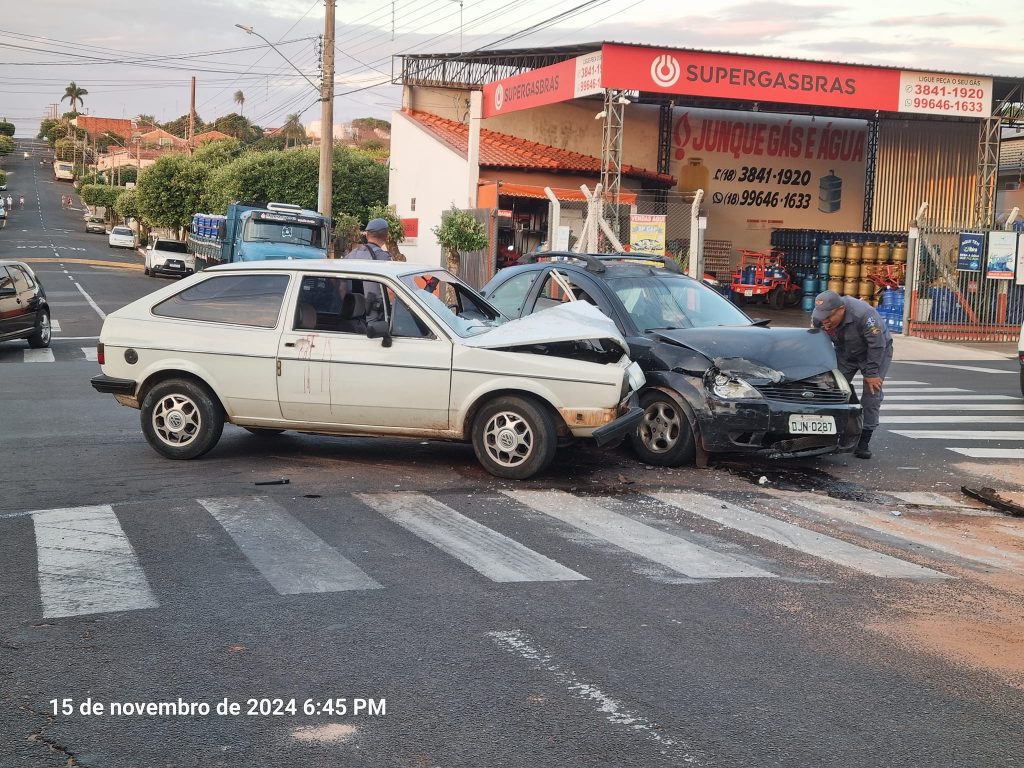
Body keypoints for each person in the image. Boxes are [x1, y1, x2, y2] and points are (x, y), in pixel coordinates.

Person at [810, 290, 893, 459]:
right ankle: (828, 433)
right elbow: (815, 341)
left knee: (872, 394)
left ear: (841, 309)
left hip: (874, 353)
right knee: (831, 388)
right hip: (845, 353)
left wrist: (871, 373)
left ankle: (864, 440)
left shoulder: (864, 315)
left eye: (828, 318)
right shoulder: (821, 317)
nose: (825, 322)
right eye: (822, 318)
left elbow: (877, 345)